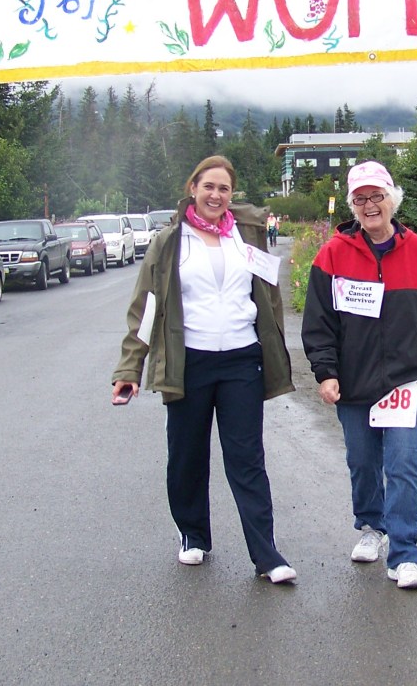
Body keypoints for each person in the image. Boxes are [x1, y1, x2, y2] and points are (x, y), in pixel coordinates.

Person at [112, 156, 297, 584]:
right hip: (188, 362)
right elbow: (146, 308)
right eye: (208, 186)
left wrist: (274, 350)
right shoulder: (169, 241)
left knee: (247, 459)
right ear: (193, 188)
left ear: (232, 195)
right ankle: (193, 535)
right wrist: (129, 368)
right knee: (187, 456)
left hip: (241, 360)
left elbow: (268, 299)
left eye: (224, 189)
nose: (216, 195)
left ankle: (266, 555)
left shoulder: (247, 235)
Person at [300, 160, 417, 590]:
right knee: (363, 463)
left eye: (378, 196)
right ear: (353, 206)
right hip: (353, 381)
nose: (371, 205)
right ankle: (371, 527)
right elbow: (319, 323)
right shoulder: (332, 254)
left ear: (393, 199)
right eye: (361, 199)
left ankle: (404, 554)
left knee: (403, 463)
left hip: (407, 378)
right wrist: (326, 372)